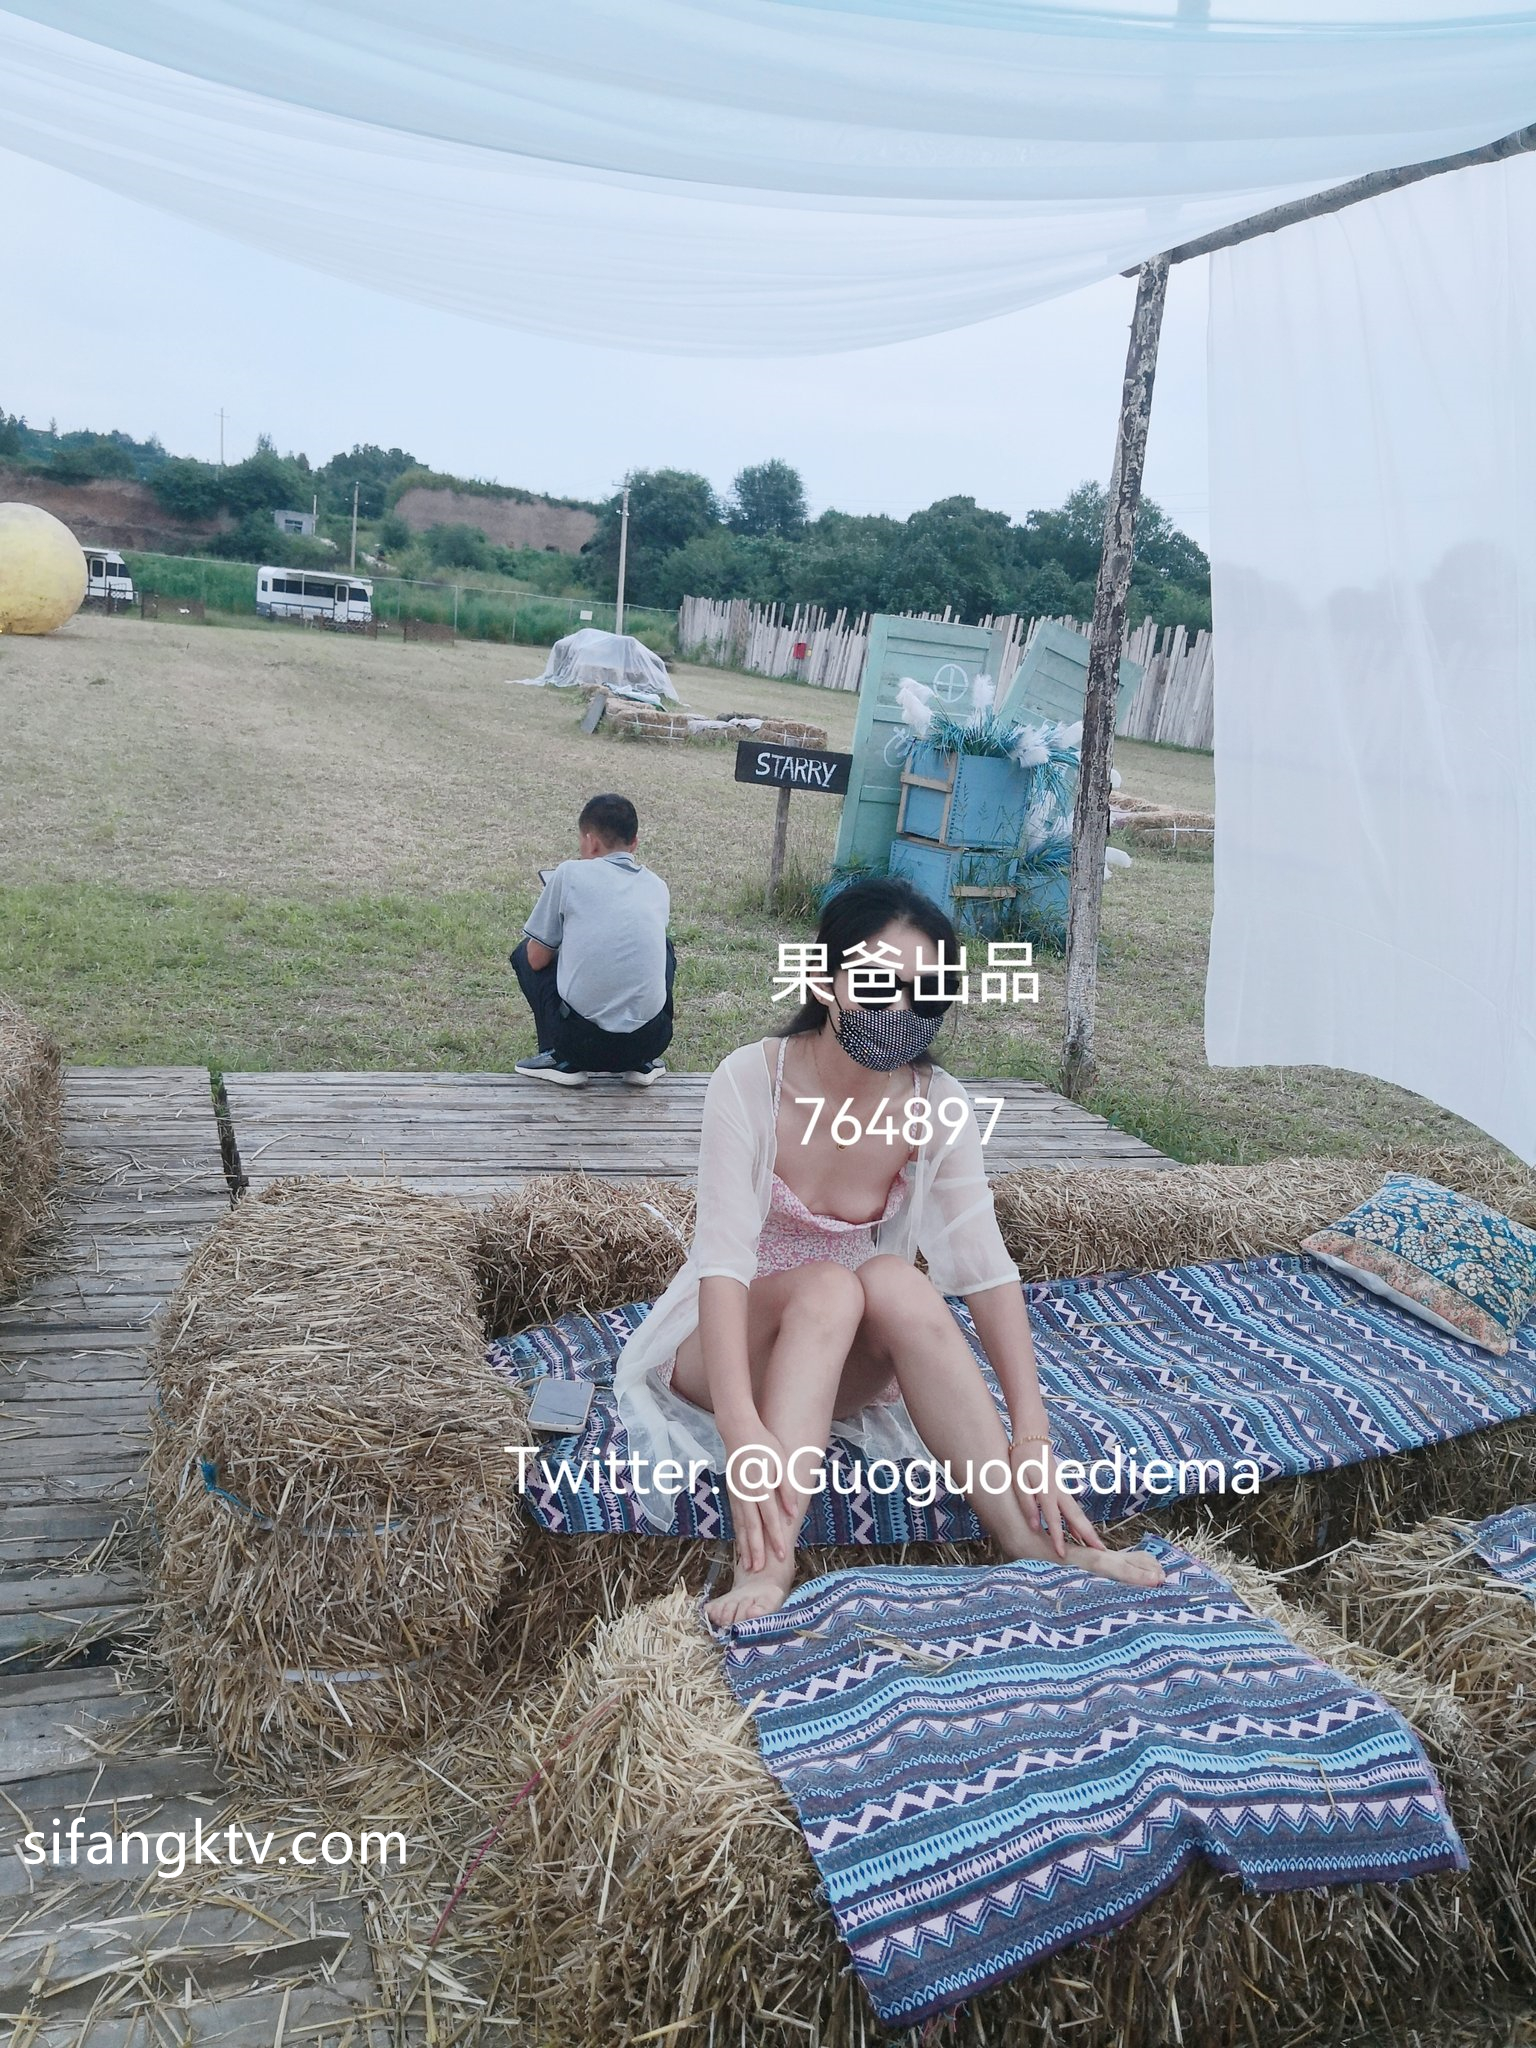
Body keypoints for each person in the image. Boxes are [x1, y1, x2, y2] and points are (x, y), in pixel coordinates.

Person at [613, 875, 1165, 1625]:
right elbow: (722, 1259)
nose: (899, 1010)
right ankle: (766, 1566)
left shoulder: (936, 1103)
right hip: (724, 1352)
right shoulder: (750, 1080)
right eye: (876, 984)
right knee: (830, 1286)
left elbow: (984, 1267)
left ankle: (1030, 1542)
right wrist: (741, 1428)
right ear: (824, 978)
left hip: (836, 1363)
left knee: (897, 1283)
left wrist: (1031, 1434)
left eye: (925, 993)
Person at [511, 793, 675, 1087]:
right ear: (634, 843)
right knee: (665, 948)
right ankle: (641, 1064)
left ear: (590, 841)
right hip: (651, 1040)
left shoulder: (569, 873)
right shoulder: (658, 886)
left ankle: (559, 1058)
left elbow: (536, 959)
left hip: (580, 1043)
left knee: (526, 952)